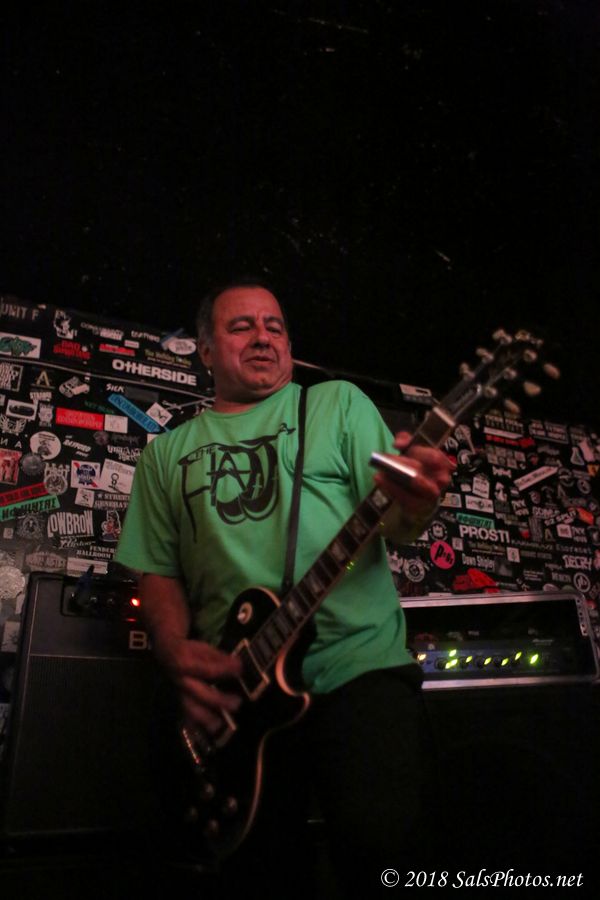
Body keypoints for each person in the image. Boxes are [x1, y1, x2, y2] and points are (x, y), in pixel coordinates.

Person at [114, 279, 453, 899]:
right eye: (241, 326)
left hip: (358, 669)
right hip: (240, 697)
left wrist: (416, 497)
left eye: (274, 326)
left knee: (386, 853)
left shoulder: (337, 404)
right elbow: (157, 570)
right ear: (206, 351)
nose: (263, 337)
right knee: (261, 876)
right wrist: (173, 650)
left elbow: (398, 519)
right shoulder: (165, 456)